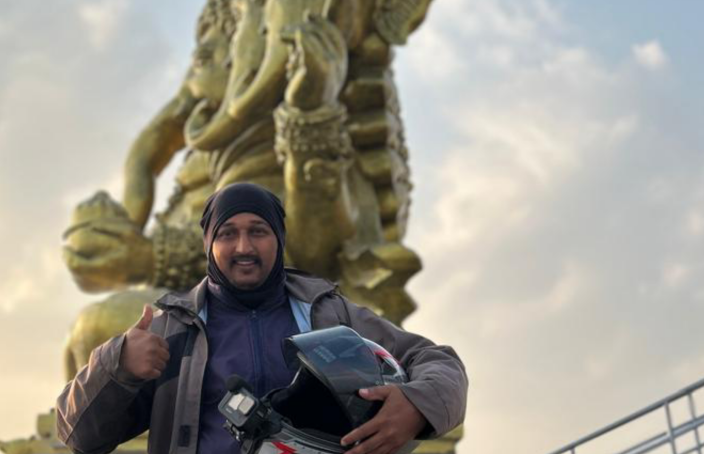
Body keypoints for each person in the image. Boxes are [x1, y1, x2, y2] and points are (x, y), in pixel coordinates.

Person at [56, 183, 467, 454]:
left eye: (258, 231)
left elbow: (440, 362)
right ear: (208, 245)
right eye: (227, 233)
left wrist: (417, 405)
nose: (243, 247)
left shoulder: (328, 312)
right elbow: (78, 434)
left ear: (280, 240)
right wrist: (119, 366)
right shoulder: (172, 329)